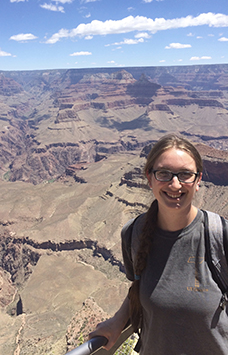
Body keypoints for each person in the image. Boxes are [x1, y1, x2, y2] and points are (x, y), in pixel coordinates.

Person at [89, 134, 228, 354]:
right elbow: (139, 285)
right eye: (164, 173)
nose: (175, 184)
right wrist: (118, 320)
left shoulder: (220, 235)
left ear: (198, 180)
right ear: (149, 178)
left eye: (185, 175)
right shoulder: (133, 234)